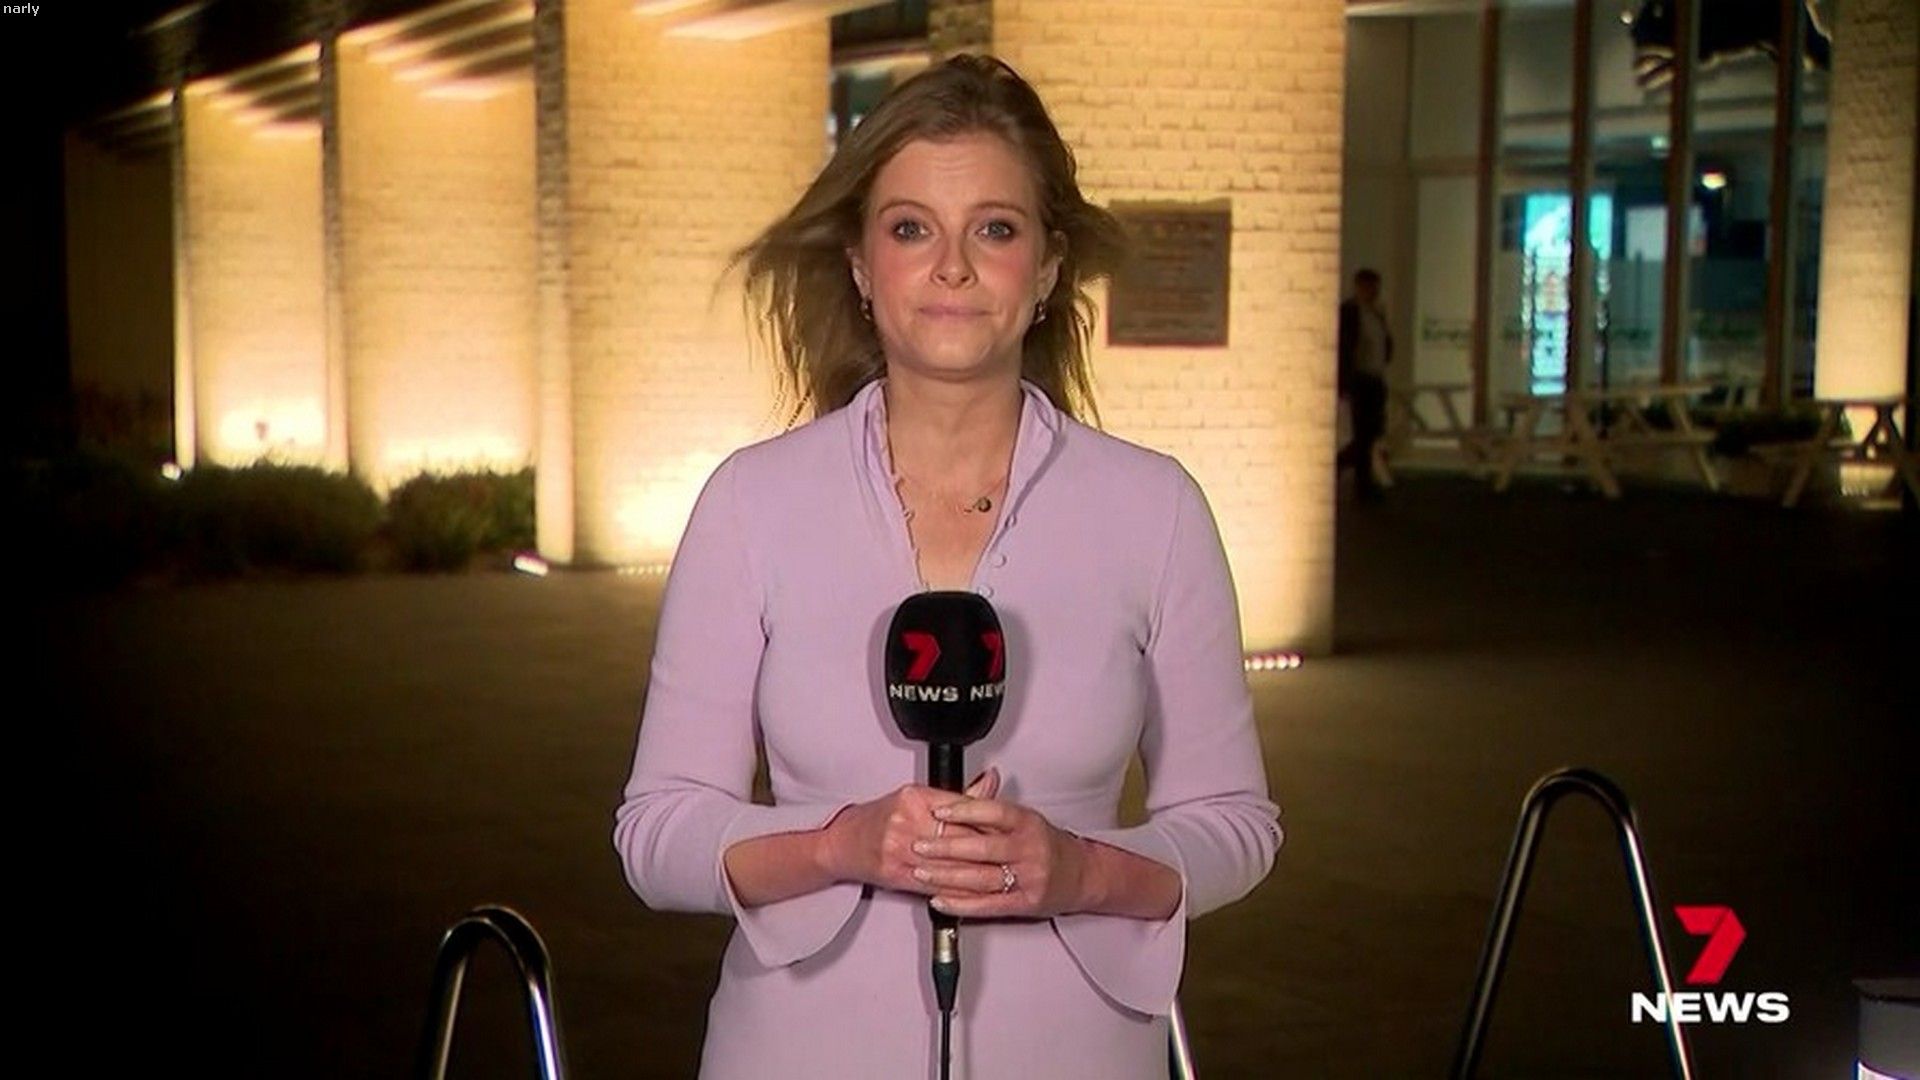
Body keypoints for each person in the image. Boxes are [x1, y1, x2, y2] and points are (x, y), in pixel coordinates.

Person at [612, 54, 1281, 1080]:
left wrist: (1084, 871)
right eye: (912, 228)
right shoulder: (752, 503)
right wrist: (839, 845)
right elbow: (657, 835)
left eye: (996, 230)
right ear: (859, 262)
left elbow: (1235, 826)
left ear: (1048, 269)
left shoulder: (1157, 510)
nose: (954, 268)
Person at [1336, 268, 1393, 500]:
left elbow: (1384, 344)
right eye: (1369, 287)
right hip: (1360, 379)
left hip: (1374, 377)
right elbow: (1345, 347)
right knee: (1363, 434)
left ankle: (1352, 473)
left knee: (1371, 433)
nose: (1373, 292)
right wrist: (1345, 381)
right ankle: (1360, 483)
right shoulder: (1350, 312)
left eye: (1375, 288)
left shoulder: (1376, 314)